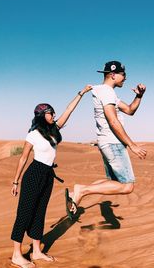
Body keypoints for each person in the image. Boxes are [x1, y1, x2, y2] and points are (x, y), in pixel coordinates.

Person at [10, 85, 92, 268]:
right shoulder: (33, 134)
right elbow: (23, 158)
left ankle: (37, 251)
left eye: (53, 112)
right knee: (24, 213)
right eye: (49, 113)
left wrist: (81, 93)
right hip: (34, 174)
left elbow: (69, 110)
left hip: (47, 174)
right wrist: (15, 181)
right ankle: (17, 254)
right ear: (41, 115)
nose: (53, 115)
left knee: (40, 213)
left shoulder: (53, 130)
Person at [65, 60, 147, 218]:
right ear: (113, 75)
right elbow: (113, 121)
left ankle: (76, 193)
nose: (125, 78)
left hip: (108, 142)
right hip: (113, 143)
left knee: (113, 183)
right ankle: (82, 190)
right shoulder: (106, 92)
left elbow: (130, 110)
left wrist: (139, 96)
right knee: (127, 186)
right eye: (123, 75)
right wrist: (132, 145)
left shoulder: (107, 93)